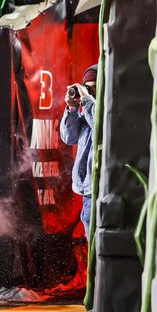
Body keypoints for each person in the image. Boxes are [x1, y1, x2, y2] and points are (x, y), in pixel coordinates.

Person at [60, 65, 98, 238]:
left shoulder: (108, 113)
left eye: (94, 86)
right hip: (88, 190)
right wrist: (72, 108)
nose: (89, 91)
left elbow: (102, 130)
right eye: (87, 87)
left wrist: (88, 101)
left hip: (101, 188)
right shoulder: (86, 114)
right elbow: (69, 137)